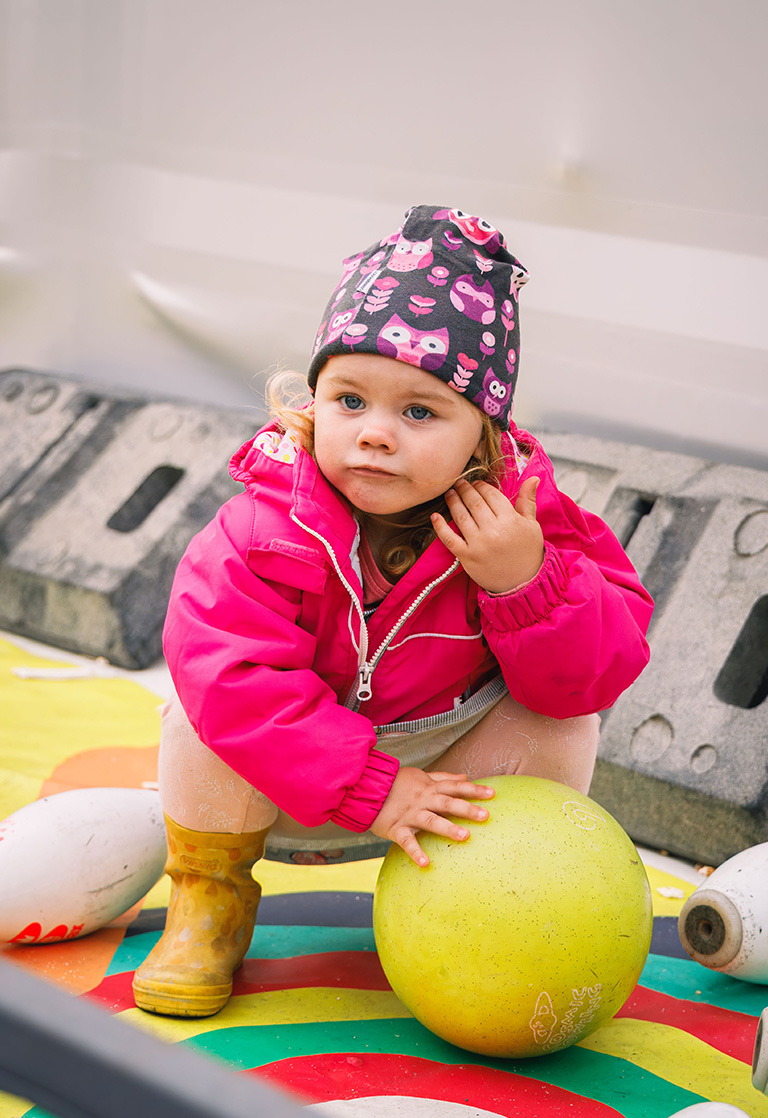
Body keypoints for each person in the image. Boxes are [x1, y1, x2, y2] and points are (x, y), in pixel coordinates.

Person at [132, 205, 653, 1019]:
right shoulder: (263, 526)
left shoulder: (523, 517)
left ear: (483, 432)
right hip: (290, 775)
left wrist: (528, 582)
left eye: (419, 412)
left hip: (447, 779)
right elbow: (231, 677)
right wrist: (373, 788)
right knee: (198, 712)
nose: (375, 435)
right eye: (349, 400)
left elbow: (600, 671)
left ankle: (480, 910)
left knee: (560, 723)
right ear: (310, 401)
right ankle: (210, 901)